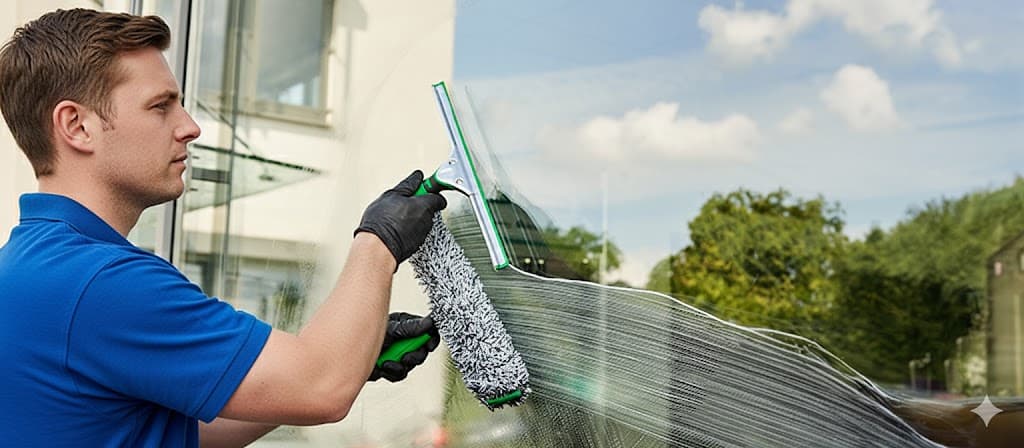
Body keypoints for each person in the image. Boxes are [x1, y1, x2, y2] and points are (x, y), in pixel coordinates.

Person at [0, 8, 448, 447]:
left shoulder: (33, 267)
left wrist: (354, 355)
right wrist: (379, 241)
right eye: (161, 107)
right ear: (76, 126)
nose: (190, 127)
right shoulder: (99, 282)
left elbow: (171, 430)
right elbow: (320, 388)